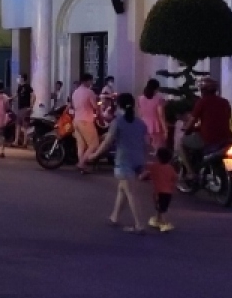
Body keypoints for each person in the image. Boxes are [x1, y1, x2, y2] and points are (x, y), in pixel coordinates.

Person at [87, 92, 149, 232]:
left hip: (124, 161)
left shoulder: (117, 122)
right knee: (123, 189)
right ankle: (114, 217)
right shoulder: (141, 123)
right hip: (137, 160)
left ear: (118, 105)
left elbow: (107, 142)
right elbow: (146, 144)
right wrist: (144, 161)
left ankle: (140, 225)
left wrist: (94, 155)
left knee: (131, 193)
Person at [181, 78, 232, 180]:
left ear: (203, 90)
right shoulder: (225, 102)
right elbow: (225, 118)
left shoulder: (202, 102)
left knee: (181, 143)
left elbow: (192, 120)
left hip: (208, 138)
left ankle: (191, 173)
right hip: (226, 137)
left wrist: (187, 129)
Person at [142, 148, 178, 232]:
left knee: (160, 208)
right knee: (163, 208)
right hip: (168, 192)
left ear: (158, 157)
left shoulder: (154, 166)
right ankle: (159, 220)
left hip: (157, 192)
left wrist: (142, 177)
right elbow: (175, 178)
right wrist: (173, 187)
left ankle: (164, 223)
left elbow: (146, 173)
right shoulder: (170, 168)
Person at [71, 73, 99, 174]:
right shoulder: (89, 92)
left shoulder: (75, 92)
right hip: (86, 121)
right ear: (87, 81)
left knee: (81, 145)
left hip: (76, 120)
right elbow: (95, 107)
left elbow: (74, 106)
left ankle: (82, 165)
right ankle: (82, 163)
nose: (92, 83)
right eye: (91, 81)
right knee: (94, 144)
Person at [138, 79, 168, 152]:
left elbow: (140, 113)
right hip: (156, 125)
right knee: (157, 149)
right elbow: (161, 115)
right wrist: (165, 129)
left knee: (145, 149)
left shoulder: (140, 98)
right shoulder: (158, 99)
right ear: (156, 88)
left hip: (144, 124)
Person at [13, 74, 34, 147]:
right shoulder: (19, 87)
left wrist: (31, 106)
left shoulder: (28, 87)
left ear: (22, 78)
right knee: (18, 125)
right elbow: (16, 95)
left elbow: (33, 96)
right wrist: (10, 99)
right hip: (20, 108)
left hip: (25, 108)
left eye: (19, 77)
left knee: (25, 126)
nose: (18, 79)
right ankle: (16, 141)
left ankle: (25, 142)